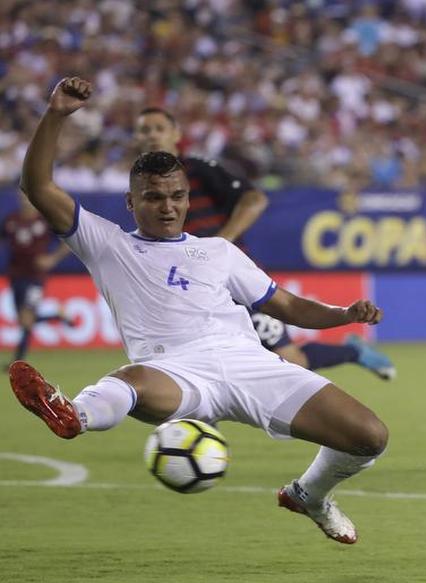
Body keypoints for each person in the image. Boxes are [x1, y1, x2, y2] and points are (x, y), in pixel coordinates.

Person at [12, 77, 389, 544]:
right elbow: (37, 184)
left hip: (249, 365)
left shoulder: (218, 251)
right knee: (133, 381)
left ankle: (308, 494)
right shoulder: (105, 242)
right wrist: (56, 115)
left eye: (177, 196)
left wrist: (344, 313)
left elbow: (286, 304)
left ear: (189, 198)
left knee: (369, 435)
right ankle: (72, 414)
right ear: (131, 202)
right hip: (173, 371)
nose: (167, 208)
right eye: (153, 197)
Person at [132, 108, 395, 380]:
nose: (152, 135)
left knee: (294, 360)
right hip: (189, 284)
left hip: (231, 281)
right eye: (145, 130)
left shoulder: (196, 169)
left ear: (176, 134)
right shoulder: (139, 182)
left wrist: (222, 241)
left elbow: (254, 199)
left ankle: (353, 352)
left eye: (159, 128)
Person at [2, 190, 74, 364]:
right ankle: (57, 315)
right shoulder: (11, 220)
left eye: (27, 196)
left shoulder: (45, 221)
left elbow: (69, 242)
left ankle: (17, 361)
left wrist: (51, 259)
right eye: (21, 196)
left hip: (36, 277)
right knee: (23, 320)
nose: (25, 200)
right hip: (16, 275)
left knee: (27, 320)